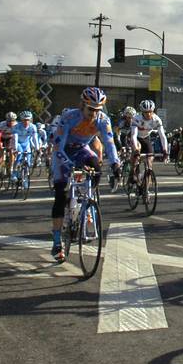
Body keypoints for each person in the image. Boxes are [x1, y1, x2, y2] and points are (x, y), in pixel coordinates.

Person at [50, 87, 119, 261]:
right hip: (63, 152)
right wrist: (69, 164)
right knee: (61, 194)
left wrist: (116, 164)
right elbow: (58, 146)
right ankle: (57, 240)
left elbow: (109, 143)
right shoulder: (69, 117)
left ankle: (88, 203)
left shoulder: (103, 120)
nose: (94, 113)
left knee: (96, 166)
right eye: (91, 109)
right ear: (83, 105)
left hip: (82, 149)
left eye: (98, 110)